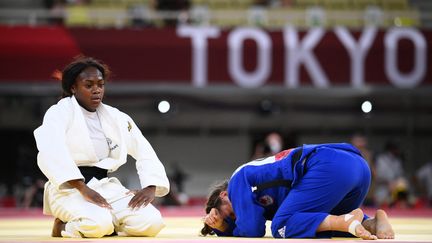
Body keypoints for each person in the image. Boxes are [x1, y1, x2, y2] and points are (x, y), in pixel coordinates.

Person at [34, 56, 170, 238]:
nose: (96, 90)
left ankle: (109, 221)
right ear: (73, 88)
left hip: (105, 187)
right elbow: (51, 152)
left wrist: (151, 186)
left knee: (151, 223)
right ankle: (63, 227)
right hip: (69, 189)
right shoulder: (59, 113)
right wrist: (82, 188)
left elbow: (143, 149)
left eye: (100, 84)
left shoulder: (116, 117)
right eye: (88, 85)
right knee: (97, 226)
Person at [201, 143, 394, 240]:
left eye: (233, 212)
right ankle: (371, 222)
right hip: (358, 168)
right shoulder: (264, 196)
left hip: (329, 167)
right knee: (308, 223)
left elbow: (252, 230)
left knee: (280, 227)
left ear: (223, 195)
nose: (241, 214)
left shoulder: (238, 180)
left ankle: (342, 221)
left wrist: (224, 229)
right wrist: (221, 226)